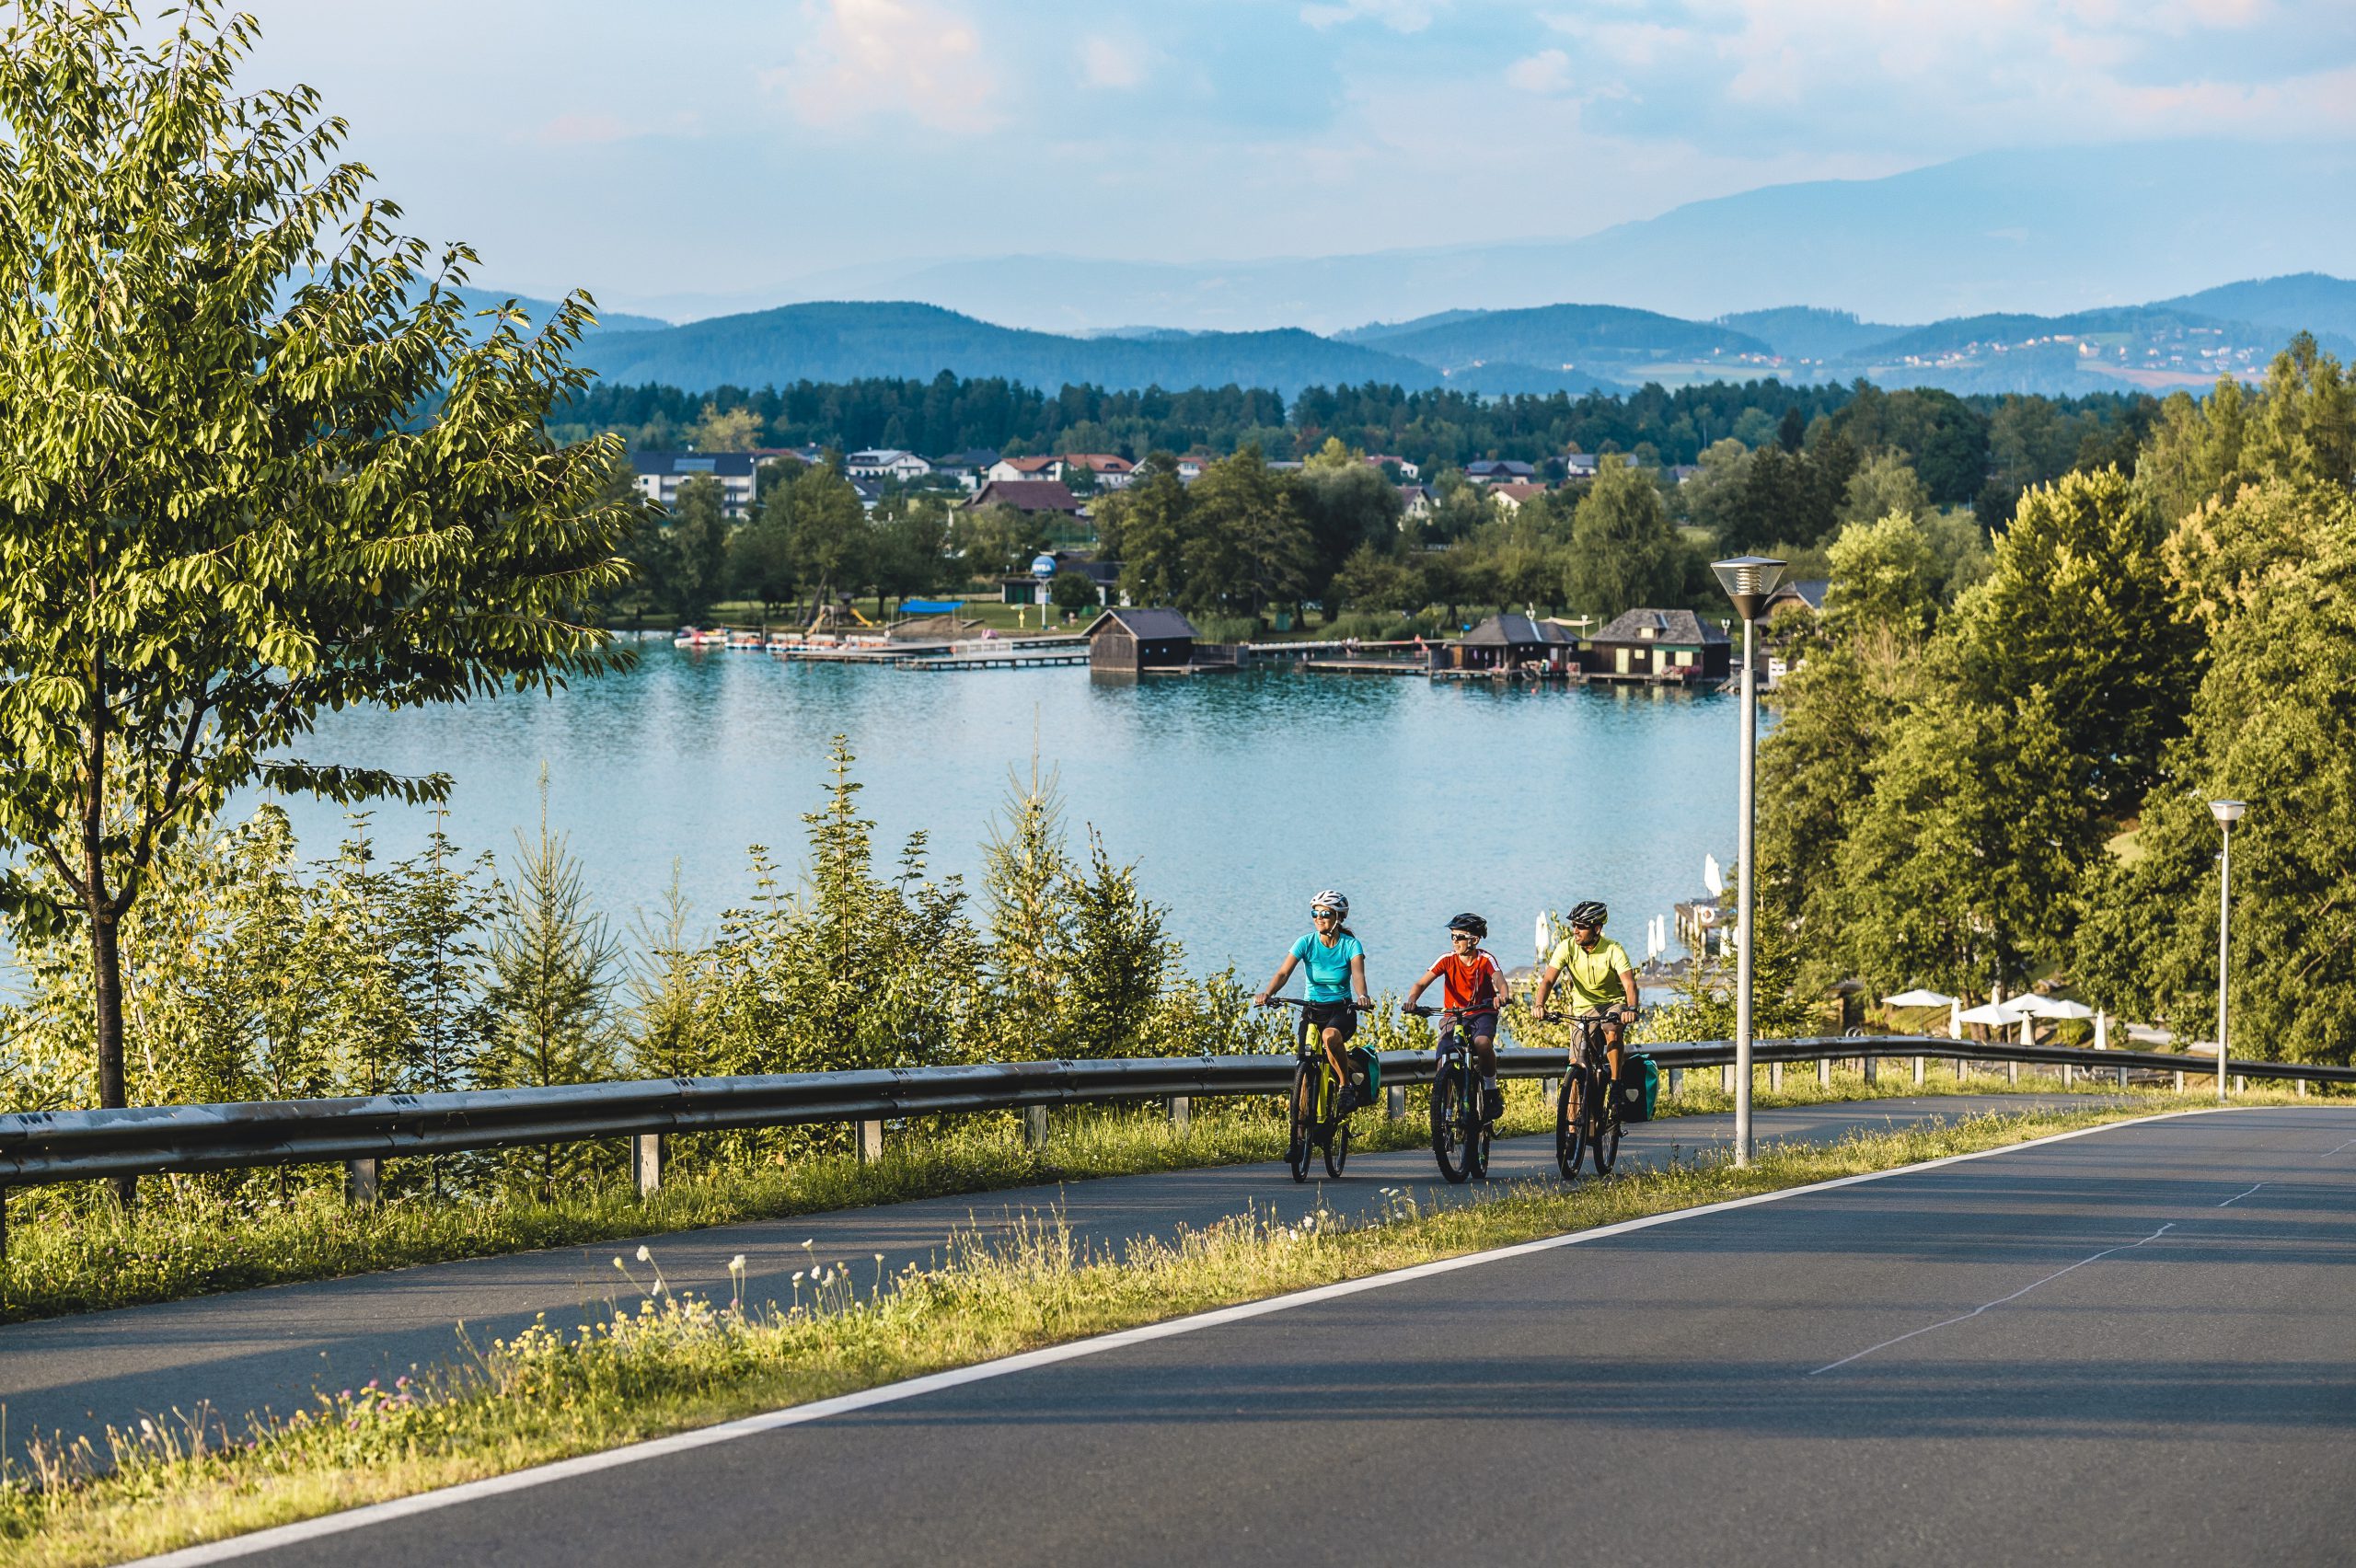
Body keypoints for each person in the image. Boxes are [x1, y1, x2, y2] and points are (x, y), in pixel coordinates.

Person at [1255, 890, 1374, 1112]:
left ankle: (1345, 1086)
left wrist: (1363, 996)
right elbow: (1283, 973)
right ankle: (1300, 1138)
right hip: (1311, 1009)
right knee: (1305, 1067)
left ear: (1338, 917)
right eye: (1315, 913)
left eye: (1325, 913)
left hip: (1341, 1010)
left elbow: (1358, 976)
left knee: (1330, 1036)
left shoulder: (1351, 945)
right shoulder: (1305, 942)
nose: (1319, 918)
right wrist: (1268, 993)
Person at [1404, 912, 1505, 1121]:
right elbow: (1421, 983)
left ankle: (1490, 1090)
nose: (1454, 941)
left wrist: (1503, 996)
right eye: (1452, 936)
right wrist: (1412, 1000)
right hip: (1454, 1015)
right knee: (1443, 1058)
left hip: (1482, 1013)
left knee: (1483, 1043)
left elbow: (1499, 980)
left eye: (1459, 937)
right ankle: (1447, 1113)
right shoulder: (1447, 960)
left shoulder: (1485, 959)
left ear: (1473, 940)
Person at [1529, 899, 1641, 1083]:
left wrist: (1631, 1009)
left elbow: (1629, 984)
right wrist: (1539, 1005)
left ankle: (1615, 1084)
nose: (1575, 931)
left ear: (1596, 929)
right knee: (1576, 1064)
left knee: (1610, 1029)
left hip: (1613, 1004)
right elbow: (1548, 980)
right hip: (1583, 1008)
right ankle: (1574, 1112)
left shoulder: (1613, 949)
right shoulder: (1567, 947)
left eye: (1581, 927)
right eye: (1574, 925)